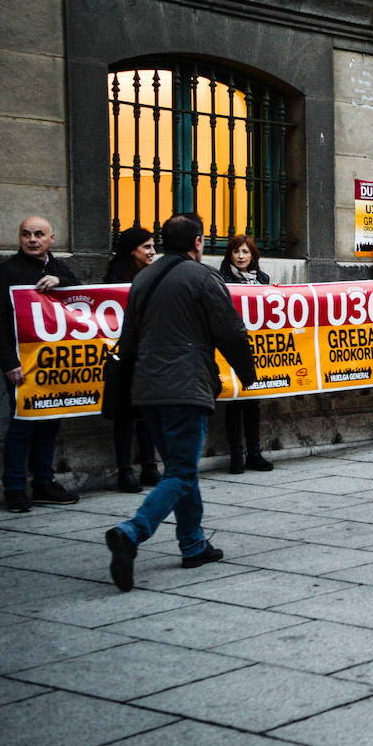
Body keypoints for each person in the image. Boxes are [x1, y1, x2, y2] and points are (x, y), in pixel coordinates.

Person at [104, 213, 256, 591]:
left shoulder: (143, 278)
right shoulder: (203, 277)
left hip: (147, 387)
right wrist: (248, 372)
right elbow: (230, 331)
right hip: (184, 387)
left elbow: (130, 335)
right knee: (182, 472)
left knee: (178, 466)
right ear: (199, 243)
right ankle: (132, 532)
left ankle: (193, 544)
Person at [0, 216, 82, 512]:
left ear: (51, 238)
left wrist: (61, 281)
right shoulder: (6, 272)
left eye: (39, 234)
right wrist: (9, 363)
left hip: (52, 363)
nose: (32, 239)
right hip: (23, 364)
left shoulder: (58, 267)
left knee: (50, 423)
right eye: (26, 234)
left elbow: (81, 294)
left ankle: (43, 482)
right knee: (23, 424)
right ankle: (14, 487)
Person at [104, 227, 161, 493]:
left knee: (149, 410)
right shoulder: (114, 279)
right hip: (124, 355)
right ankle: (125, 470)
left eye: (153, 247)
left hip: (149, 352)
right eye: (147, 247)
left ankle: (149, 466)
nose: (152, 252)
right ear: (132, 250)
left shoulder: (154, 275)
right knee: (125, 414)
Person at [219, 234, 275, 473]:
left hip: (256, 348)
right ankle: (236, 455)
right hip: (232, 347)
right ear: (229, 254)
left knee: (253, 403)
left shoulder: (263, 279)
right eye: (236, 252)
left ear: (253, 256)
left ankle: (254, 453)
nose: (241, 257)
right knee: (234, 402)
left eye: (245, 252)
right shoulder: (221, 279)